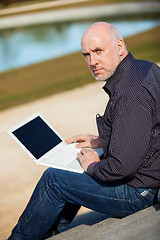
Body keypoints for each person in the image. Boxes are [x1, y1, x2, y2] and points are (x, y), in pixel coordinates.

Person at [8, 22, 160, 240]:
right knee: (75, 164)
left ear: (119, 46)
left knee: (53, 179)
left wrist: (91, 167)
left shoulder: (129, 92)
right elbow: (149, 126)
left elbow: (121, 168)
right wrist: (102, 140)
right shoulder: (146, 68)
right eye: (86, 55)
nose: (92, 61)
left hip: (140, 191)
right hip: (150, 174)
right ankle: (51, 229)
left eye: (98, 51)